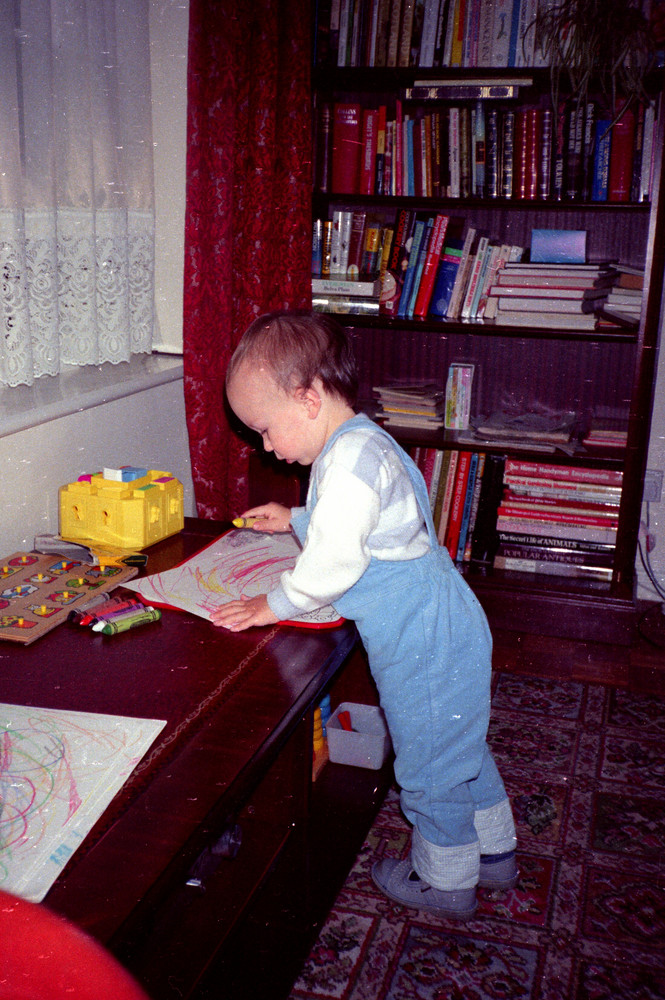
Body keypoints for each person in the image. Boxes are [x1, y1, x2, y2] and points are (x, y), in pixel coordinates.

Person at [212, 310, 517, 919]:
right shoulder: (361, 440)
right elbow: (375, 523)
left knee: (428, 765)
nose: (266, 447)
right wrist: (296, 517)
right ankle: (495, 854)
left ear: (308, 399)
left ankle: (447, 881)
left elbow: (332, 564)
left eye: (266, 430)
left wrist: (270, 605)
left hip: (421, 639)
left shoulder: (347, 465)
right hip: (444, 619)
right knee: (458, 745)